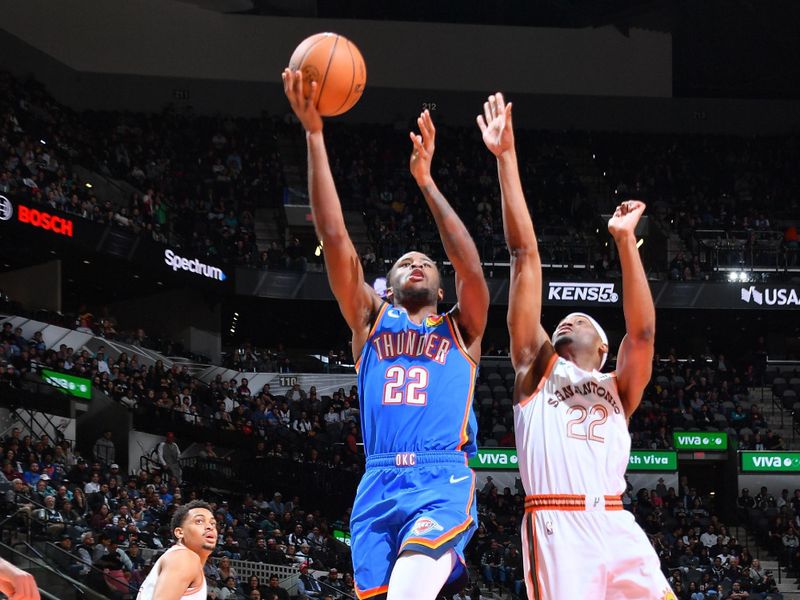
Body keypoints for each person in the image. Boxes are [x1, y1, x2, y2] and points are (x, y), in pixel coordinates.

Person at [283, 69, 489, 600]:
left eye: (425, 261)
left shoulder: (461, 328)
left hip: (438, 477)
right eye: (404, 260)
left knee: (409, 590)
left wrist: (426, 183)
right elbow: (334, 237)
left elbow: (471, 270)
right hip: (377, 481)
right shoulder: (370, 321)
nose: (416, 263)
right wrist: (314, 135)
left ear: (441, 289)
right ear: (389, 284)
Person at [478, 92, 674, 599]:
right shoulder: (536, 369)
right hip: (557, 523)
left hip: (615, 519)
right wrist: (507, 158)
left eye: (582, 318)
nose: (568, 319)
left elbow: (645, 332)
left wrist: (625, 241)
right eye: (563, 319)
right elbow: (524, 254)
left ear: (605, 348)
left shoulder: (619, 386)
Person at [136, 500, 217, 600]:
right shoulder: (184, 556)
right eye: (199, 521)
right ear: (179, 533)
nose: (210, 527)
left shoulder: (180, 557)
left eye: (213, 523)